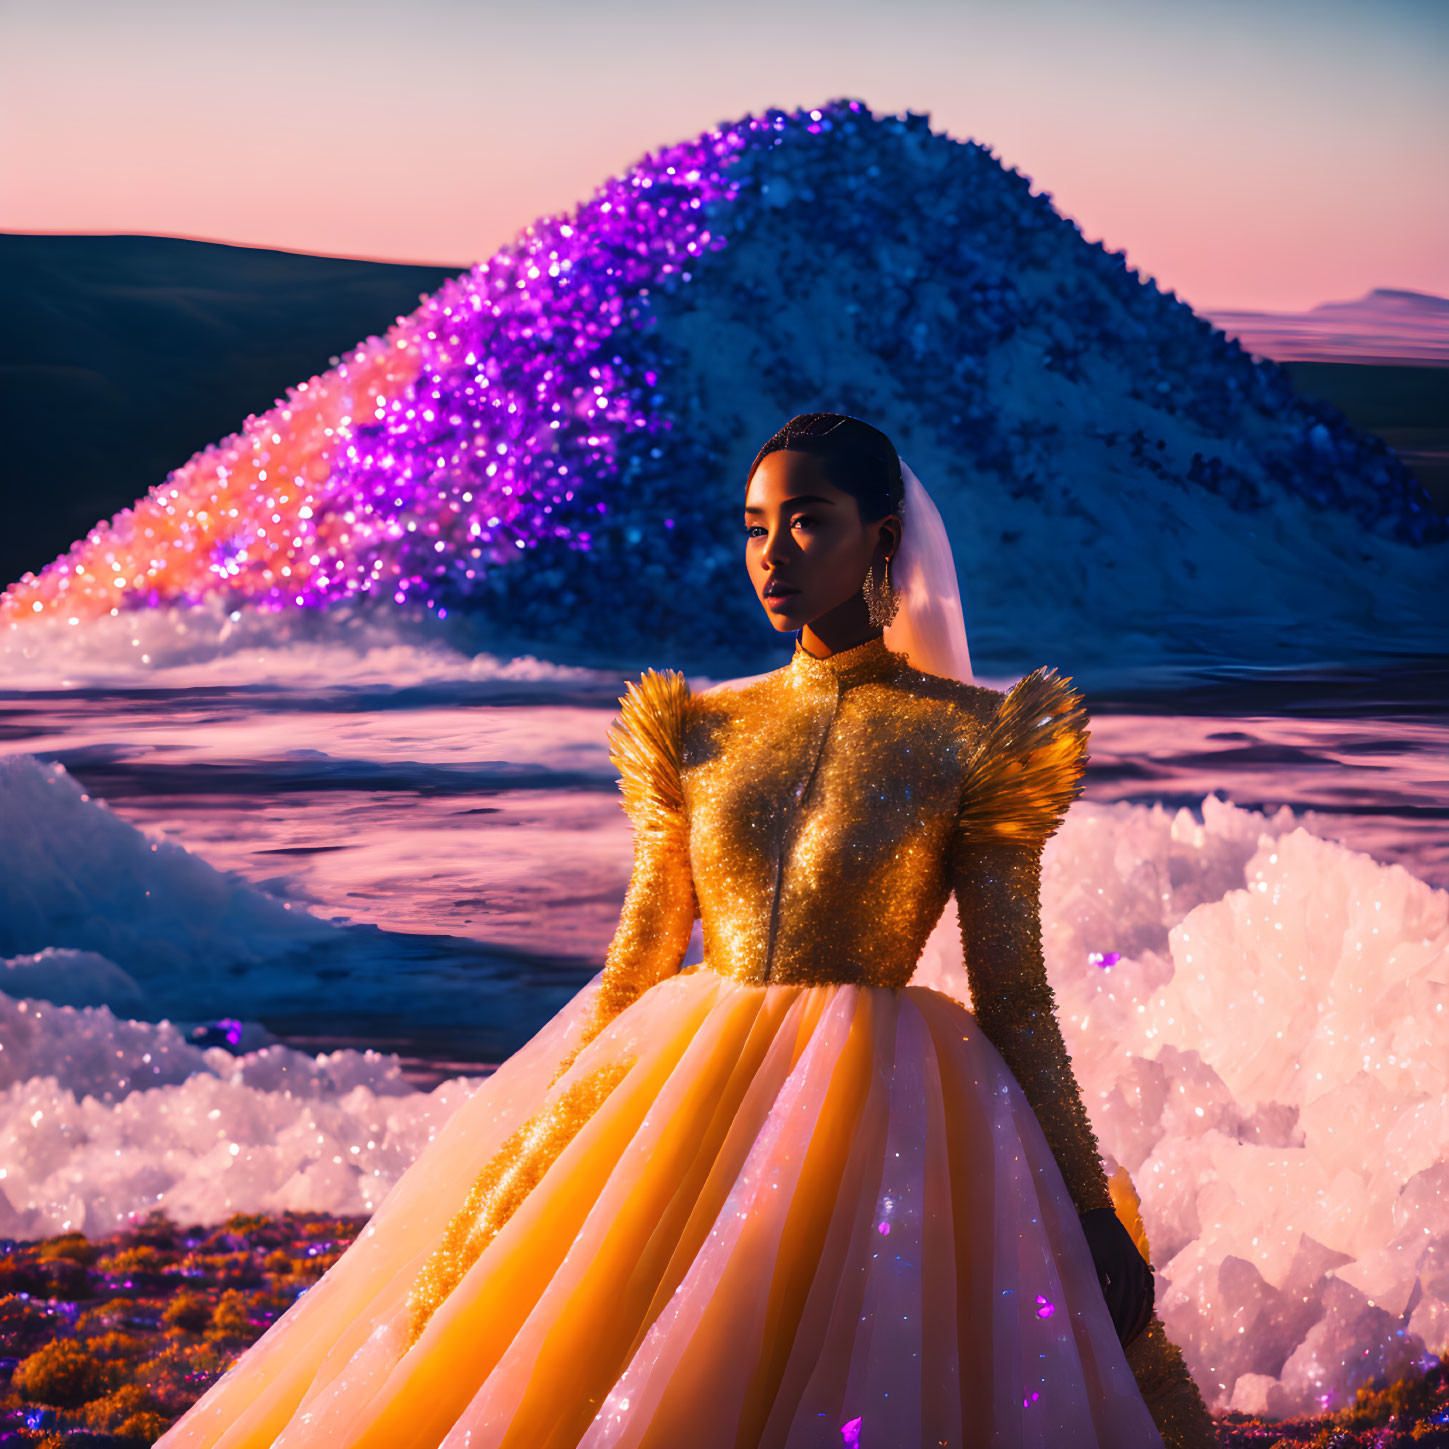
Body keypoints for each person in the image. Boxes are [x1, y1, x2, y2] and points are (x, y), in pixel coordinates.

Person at [157, 413, 1217, 1448]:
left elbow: (1015, 994)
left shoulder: (977, 739)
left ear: (882, 537)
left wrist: (1082, 1202)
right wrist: (540, 1142)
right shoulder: (700, 729)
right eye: (755, 526)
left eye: (808, 522)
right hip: (676, 1087)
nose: (772, 554)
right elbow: (638, 962)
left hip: (884, 1110)